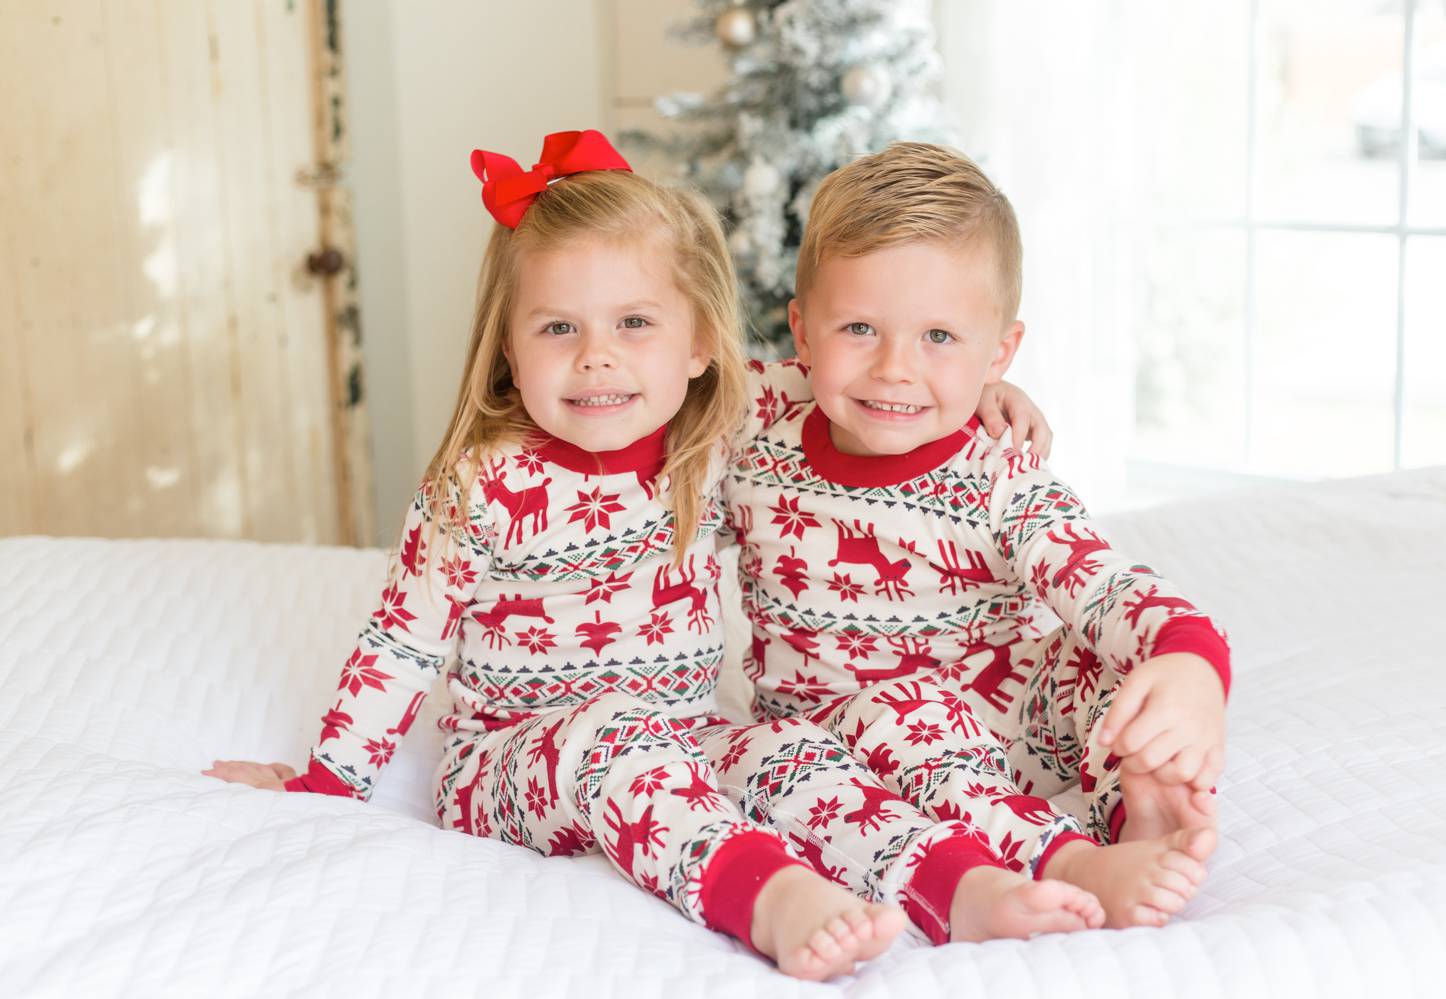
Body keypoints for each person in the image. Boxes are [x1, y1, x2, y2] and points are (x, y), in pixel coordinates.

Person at [201, 131, 1096, 975]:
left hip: (689, 734)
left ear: (701, 341)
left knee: (791, 751)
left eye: (635, 323)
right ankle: (774, 898)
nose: (599, 360)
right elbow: (401, 643)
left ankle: (959, 885)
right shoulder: (482, 484)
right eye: (559, 329)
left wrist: (981, 383)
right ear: (509, 349)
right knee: (614, 739)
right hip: (514, 762)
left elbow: (868, 381)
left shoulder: (716, 436)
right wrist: (327, 781)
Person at [723, 141, 1229, 928]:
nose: (895, 368)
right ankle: (1069, 859)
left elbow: (1101, 581)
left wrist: (1189, 658)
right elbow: (658, 383)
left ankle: (1140, 800)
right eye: (859, 328)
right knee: (791, 753)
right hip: (854, 727)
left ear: (999, 353)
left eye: (939, 338)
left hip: (1010, 711)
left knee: (1115, 671)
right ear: (802, 332)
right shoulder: (757, 423)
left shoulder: (998, 473)